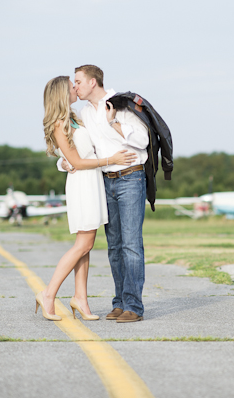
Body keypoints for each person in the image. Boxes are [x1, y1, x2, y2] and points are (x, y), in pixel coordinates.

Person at [37, 75, 136, 321]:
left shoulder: (73, 117)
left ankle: (80, 298)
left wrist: (65, 162)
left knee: (86, 246)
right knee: (83, 244)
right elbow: (77, 161)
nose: (76, 88)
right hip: (82, 184)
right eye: (72, 86)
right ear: (62, 93)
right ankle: (48, 294)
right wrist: (110, 160)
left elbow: (73, 156)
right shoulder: (60, 123)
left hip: (91, 182)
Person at [62, 64, 150, 323]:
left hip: (131, 177)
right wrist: (64, 163)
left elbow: (143, 141)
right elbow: (79, 148)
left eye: (77, 81)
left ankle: (134, 306)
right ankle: (120, 302)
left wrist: (114, 123)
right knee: (114, 247)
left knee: (131, 245)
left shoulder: (122, 105)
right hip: (105, 182)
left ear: (92, 82)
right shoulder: (85, 113)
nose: (74, 86)